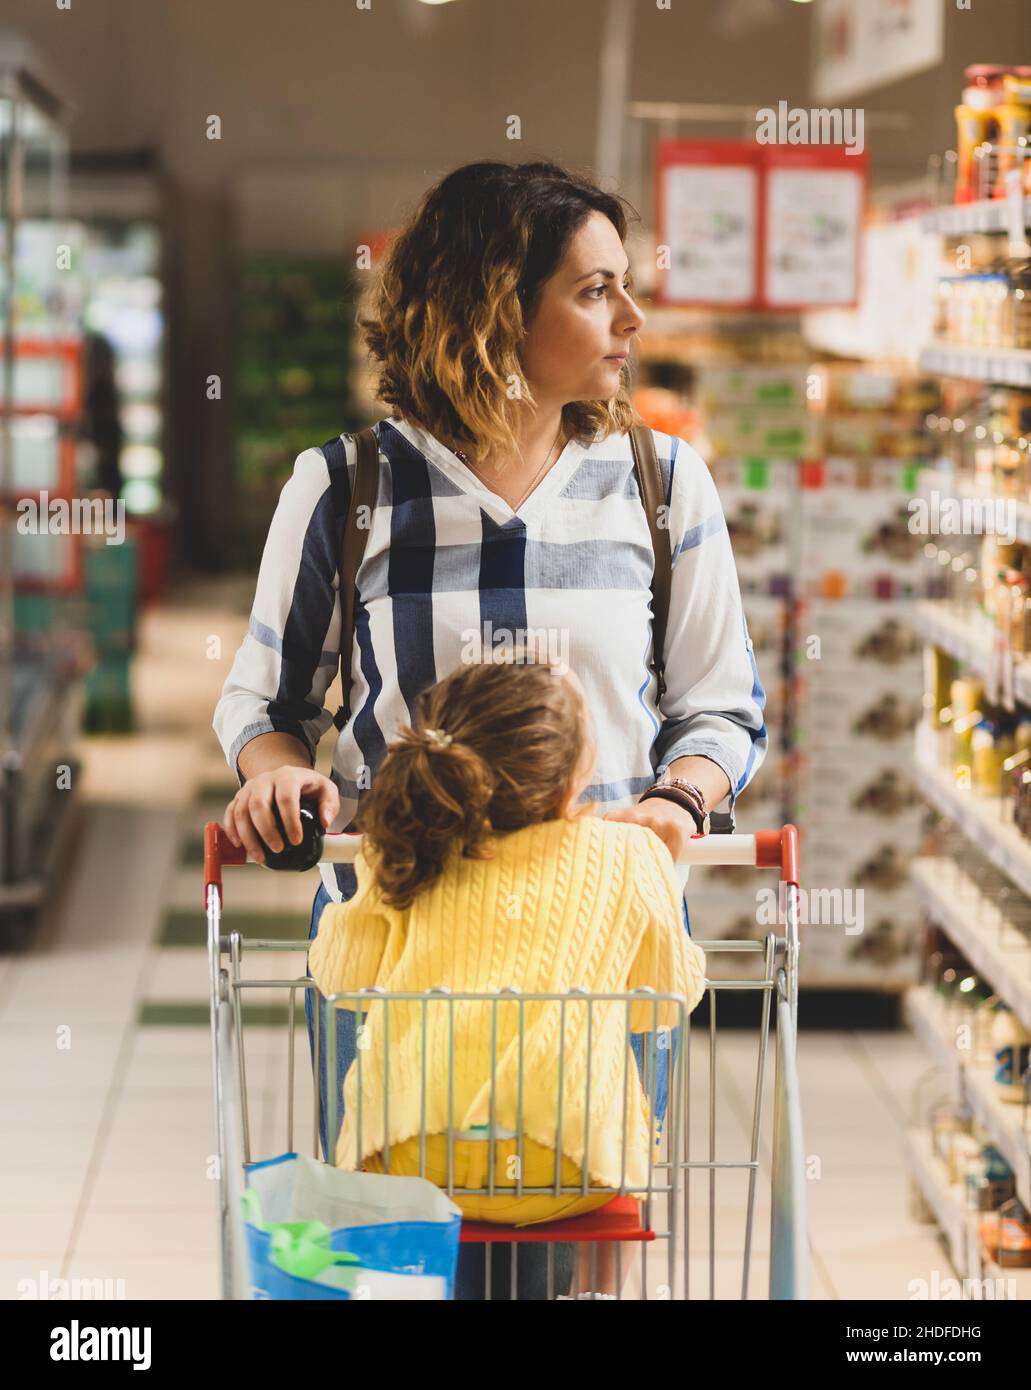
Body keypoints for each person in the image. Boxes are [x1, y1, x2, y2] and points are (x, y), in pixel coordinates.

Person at [213, 159, 767, 1298]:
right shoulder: (349, 489)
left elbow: (719, 706)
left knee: (580, 1248)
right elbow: (264, 707)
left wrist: (675, 803)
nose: (631, 317)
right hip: (400, 955)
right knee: (401, 1258)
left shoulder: (660, 488)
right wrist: (276, 779)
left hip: (588, 953)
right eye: (593, 290)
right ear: (492, 308)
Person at [306, 654, 707, 1297]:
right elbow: (664, 1001)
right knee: (619, 1154)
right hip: (572, 1169)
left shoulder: (406, 842)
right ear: (570, 784)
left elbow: (342, 980)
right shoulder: (628, 852)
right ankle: (599, 1295)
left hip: (412, 1157)